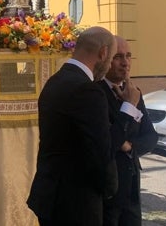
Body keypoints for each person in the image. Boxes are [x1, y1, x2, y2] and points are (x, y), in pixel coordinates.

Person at [27, 26, 119, 226]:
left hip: (50, 195)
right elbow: (100, 152)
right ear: (103, 53)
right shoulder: (87, 90)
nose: (110, 64)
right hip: (75, 203)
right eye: (111, 58)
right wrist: (110, 190)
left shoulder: (55, 81)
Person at [99, 37, 158, 226]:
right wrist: (128, 107)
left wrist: (130, 146)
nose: (125, 62)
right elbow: (107, 140)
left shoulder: (134, 92)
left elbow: (150, 136)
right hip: (108, 186)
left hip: (131, 184)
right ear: (105, 59)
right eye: (118, 57)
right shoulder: (96, 93)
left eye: (128, 56)